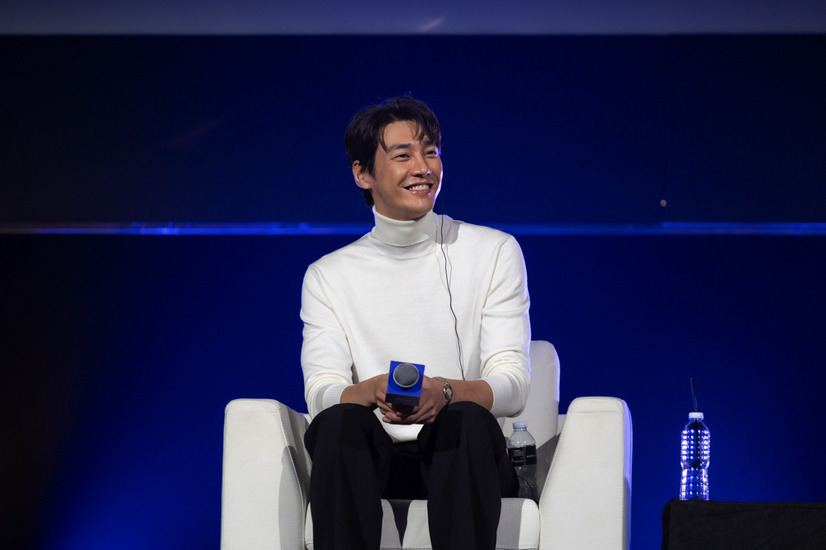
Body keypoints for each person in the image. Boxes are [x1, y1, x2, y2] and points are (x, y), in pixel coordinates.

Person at [300, 96, 531, 550]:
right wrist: (372, 390)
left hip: (466, 458)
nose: (423, 168)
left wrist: (444, 392)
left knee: (464, 420)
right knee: (339, 424)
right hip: (376, 462)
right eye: (403, 155)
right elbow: (321, 394)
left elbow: (513, 385)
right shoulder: (328, 274)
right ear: (363, 173)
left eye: (431, 152)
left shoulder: (494, 251)